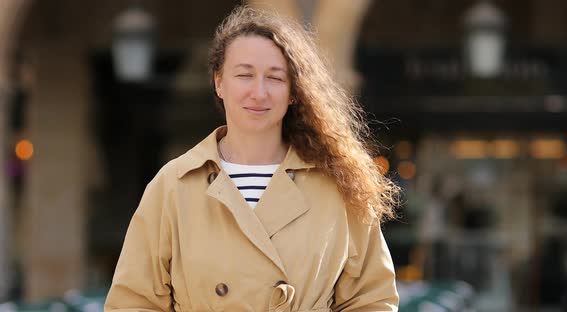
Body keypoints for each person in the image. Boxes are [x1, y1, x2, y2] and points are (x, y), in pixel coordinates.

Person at [104, 6, 400, 312]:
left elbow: (372, 300)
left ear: (293, 92)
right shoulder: (173, 185)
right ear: (219, 83)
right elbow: (133, 302)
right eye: (244, 75)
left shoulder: (337, 184)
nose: (258, 93)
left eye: (275, 78)